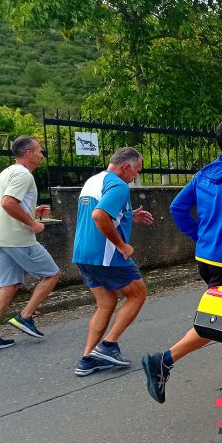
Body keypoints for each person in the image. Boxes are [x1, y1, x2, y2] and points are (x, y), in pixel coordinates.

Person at [142, 118, 222, 404]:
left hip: (205, 258)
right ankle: (164, 360)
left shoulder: (205, 173)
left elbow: (178, 207)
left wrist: (199, 235)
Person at [72, 147, 155, 376]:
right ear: (126, 166)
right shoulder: (119, 185)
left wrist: (129, 215)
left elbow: (102, 212)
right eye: (136, 171)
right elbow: (99, 215)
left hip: (83, 254)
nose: (135, 177)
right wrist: (121, 245)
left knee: (107, 302)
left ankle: (88, 358)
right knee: (138, 294)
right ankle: (108, 346)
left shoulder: (94, 180)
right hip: (106, 256)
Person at [0, 136, 60, 352]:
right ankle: (25, 316)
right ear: (29, 153)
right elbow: (8, 203)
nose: (42, 155)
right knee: (52, 274)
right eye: (39, 151)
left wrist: (33, 211)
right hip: (18, 239)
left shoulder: (6, 172)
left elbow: (11, 203)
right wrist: (33, 223)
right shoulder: (23, 174)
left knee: (9, 287)